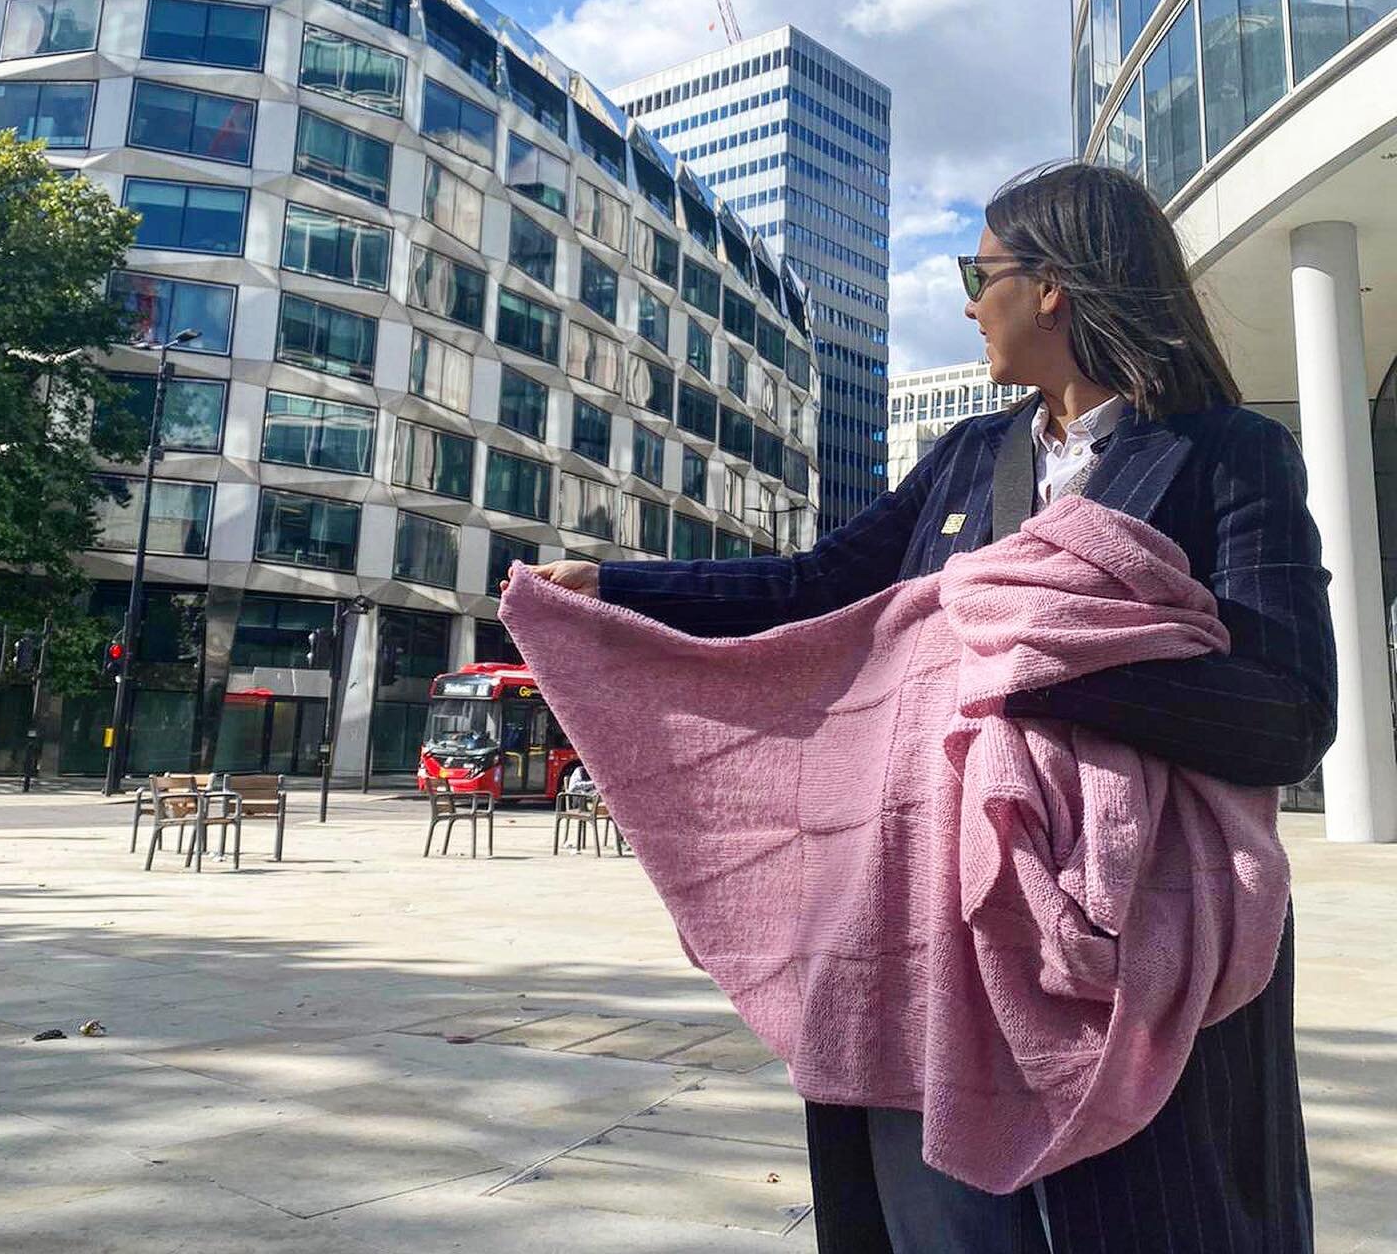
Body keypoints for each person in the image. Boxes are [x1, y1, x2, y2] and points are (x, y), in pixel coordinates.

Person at [509, 162, 1337, 1254]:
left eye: (977, 271)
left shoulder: (1229, 454)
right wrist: (619, 588)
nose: (964, 299)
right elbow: (819, 588)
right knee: (937, 1222)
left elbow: (1286, 711)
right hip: (931, 926)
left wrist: (1033, 660)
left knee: (1142, 1213)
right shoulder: (968, 460)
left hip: (1133, 934)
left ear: (1053, 287)